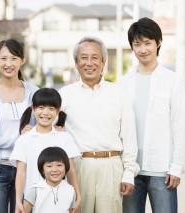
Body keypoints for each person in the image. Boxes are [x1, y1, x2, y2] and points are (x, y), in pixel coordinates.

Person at [59, 36, 140, 213]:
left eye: (95, 57)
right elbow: (54, 131)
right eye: (84, 57)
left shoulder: (118, 94)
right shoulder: (64, 95)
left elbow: (129, 136)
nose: (89, 63)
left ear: (103, 62)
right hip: (78, 167)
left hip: (111, 167)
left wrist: (129, 173)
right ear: (76, 62)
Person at [120, 17, 185, 213]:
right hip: (130, 171)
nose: (143, 49)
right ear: (132, 47)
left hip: (162, 171)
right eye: (137, 44)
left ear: (158, 43)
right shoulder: (124, 83)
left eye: (148, 43)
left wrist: (176, 167)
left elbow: (179, 126)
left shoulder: (172, 81)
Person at [0, 39, 38, 213]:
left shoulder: (34, 92)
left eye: (13, 58)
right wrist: (20, 141)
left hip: (25, 168)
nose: (8, 64)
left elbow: (44, 124)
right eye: (3, 58)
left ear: (22, 60)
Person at [9, 88, 82, 213]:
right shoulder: (24, 139)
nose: (46, 113)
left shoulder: (65, 138)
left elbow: (71, 171)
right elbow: (21, 173)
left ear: (58, 111)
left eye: (51, 108)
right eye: (41, 107)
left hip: (60, 204)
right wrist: (18, 201)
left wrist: (78, 195)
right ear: (33, 109)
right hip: (33, 203)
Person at [24, 147, 76, 213]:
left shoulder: (70, 190)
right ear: (42, 170)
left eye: (59, 165)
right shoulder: (35, 189)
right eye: (49, 166)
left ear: (66, 167)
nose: (54, 169)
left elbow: (71, 211)